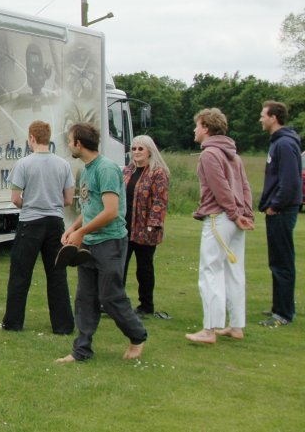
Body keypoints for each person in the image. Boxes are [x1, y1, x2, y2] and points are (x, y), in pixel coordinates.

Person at [56, 122, 147, 363]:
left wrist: (81, 232)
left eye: (70, 140)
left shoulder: (105, 169)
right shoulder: (87, 169)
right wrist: (74, 228)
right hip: (90, 242)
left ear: (79, 143)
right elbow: (91, 207)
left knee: (110, 296)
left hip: (110, 242)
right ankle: (81, 350)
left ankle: (137, 337)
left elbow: (110, 212)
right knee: (85, 298)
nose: (68, 145)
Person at [186, 108, 254, 344]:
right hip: (234, 218)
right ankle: (236, 326)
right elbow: (245, 187)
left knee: (210, 270)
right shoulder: (233, 155)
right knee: (234, 272)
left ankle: (209, 329)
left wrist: (236, 215)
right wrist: (246, 214)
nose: (194, 130)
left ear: (206, 127)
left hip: (219, 217)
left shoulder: (209, 154)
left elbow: (221, 189)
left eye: (197, 125)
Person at [0, 120, 75, 334]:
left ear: (32, 138)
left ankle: (13, 322)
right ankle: (63, 325)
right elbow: (68, 199)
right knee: (57, 274)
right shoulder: (63, 164)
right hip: (55, 223)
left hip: (30, 222)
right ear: (48, 138)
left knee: (20, 273)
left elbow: (15, 198)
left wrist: (31, 203)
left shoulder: (24, 164)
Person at [258, 101, 302, 327]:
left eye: (263, 115)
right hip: (279, 209)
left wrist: (275, 205)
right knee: (276, 260)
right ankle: (279, 306)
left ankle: (284, 313)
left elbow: (290, 182)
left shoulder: (284, 144)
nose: (260, 119)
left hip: (282, 211)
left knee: (282, 261)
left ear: (274, 117)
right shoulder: (279, 143)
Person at [121, 135, 170, 319]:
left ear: (150, 150)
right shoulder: (127, 171)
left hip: (145, 228)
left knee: (144, 268)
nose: (136, 152)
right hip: (125, 226)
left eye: (140, 149)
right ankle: (117, 302)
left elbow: (160, 200)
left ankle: (146, 305)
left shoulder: (158, 173)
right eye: (134, 149)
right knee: (120, 265)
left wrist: (154, 223)